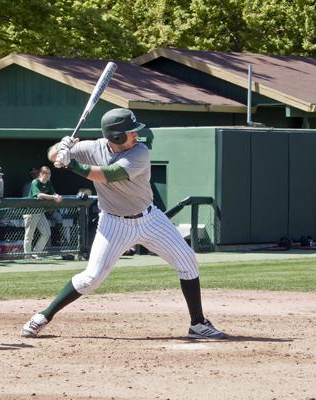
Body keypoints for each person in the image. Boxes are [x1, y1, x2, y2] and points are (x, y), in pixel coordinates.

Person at [21, 108, 228, 340]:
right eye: (132, 132)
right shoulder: (92, 148)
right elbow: (51, 155)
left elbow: (110, 174)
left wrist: (71, 164)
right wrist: (62, 147)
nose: (136, 136)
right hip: (113, 223)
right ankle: (43, 316)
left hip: (150, 219)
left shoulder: (140, 152)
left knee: (188, 262)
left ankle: (198, 324)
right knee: (91, 277)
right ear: (117, 136)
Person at [23, 165, 62, 258]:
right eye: (46, 173)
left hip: (40, 212)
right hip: (31, 212)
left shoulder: (49, 183)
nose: (48, 175)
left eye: (49, 173)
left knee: (46, 233)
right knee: (29, 235)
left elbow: (53, 193)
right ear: (41, 174)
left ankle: (35, 253)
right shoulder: (35, 182)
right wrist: (53, 197)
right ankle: (27, 256)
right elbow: (39, 195)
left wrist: (57, 196)